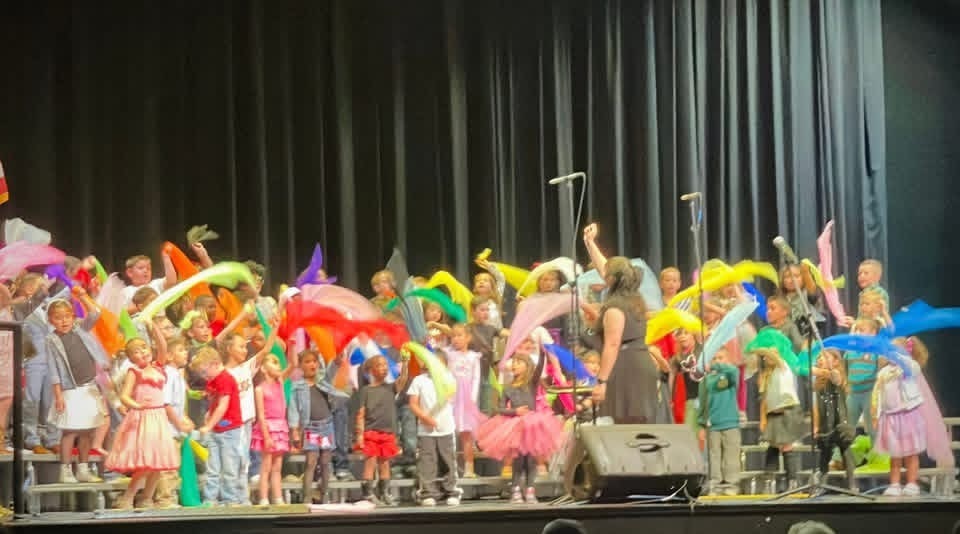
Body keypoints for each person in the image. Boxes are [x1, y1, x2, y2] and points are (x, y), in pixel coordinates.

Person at [583, 223, 657, 423]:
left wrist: (602, 382)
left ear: (611, 280)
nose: (602, 274)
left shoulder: (615, 308)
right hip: (638, 364)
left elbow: (613, 344)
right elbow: (604, 268)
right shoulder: (634, 299)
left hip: (626, 368)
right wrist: (590, 242)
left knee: (624, 425)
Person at [106, 338, 192, 509]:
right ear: (131, 358)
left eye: (144, 348)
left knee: (158, 463)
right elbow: (124, 396)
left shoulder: (158, 367)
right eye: (136, 351)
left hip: (159, 416)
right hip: (145, 416)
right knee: (147, 461)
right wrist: (137, 406)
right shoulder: (134, 371)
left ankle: (146, 497)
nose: (142, 352)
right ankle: (128, 497)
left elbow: (163, 346)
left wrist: (152, 325)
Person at [477, 351, 561, 504]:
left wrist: (542, 352)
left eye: (519, 362)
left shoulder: (532, 383)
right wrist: (515, 411)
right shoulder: (507, 388)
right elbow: (499, 408)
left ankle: (530, 489)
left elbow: (539, 366)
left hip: (532, 427)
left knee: (530, 460)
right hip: (516, 427)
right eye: (513, 362)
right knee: (518, 461)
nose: (514, 364)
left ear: (527, 367)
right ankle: (515, 489)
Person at [45, 293, 110, 484]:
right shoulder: (52, 340)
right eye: (58, 317)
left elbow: (95, 313)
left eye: (67, 316)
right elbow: (53, 369)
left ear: (73, 317)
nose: (63, 321)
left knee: (88, 431)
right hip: (69, 389)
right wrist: (58, 395)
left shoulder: (80, 328)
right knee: (70, 431)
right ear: (51, 320)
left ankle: (83, 468)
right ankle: (65, 471)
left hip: (89, 387)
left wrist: (83, 296)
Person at [189, 347, 245, 506]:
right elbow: (214, 403)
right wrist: (208, 416)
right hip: (216, 429)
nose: (204, 377)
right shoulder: (212, 380)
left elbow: (223, 405)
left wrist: (208, 425)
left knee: (229, 466)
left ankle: (230, 498)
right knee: (212, 467)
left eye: (205, 373)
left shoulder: (225, 379)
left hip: (229, 429)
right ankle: (210, 498)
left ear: (215, 364)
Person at [407, 349, 461, 507]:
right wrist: (425, 418)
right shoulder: (419, 380)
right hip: (426, 430)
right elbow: (413, 404)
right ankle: (428, 493)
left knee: (448, 460)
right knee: (427, 461)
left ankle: (451, 491)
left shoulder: (449, 378)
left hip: (445, 427)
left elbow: (448, 396)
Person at [355, 353, 410, 505]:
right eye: (379, 365)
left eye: (385, 365)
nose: (383, 368)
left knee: (385, 463)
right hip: (371, 432)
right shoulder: (366, 390)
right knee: (370, 462)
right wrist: (360, 435)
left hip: (387, 432)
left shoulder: (391, 387)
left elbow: (403, 379)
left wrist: (405, 363)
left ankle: (384, 492)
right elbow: (361, 413)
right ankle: (367, 493)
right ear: (371, 370)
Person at [811, 348, 857, 492]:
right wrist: (816, 426)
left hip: (840, 420)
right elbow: (816, 407)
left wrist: (825, 370)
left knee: (845, 450)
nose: (820, 360)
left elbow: (835, 377)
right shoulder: (818, 383)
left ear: (836, 361)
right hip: (826, 423)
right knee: (824, 454)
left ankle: (851, 483)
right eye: (818, 358)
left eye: (824, 357)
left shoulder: (838, 375)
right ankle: (822, 484)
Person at [697, 348, 741, 496]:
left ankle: (731, 485)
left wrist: (717, 366)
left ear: (727, 359)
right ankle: (714, 485)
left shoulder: (730, 375)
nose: (717, 361)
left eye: (720, 358)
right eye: (714, 358)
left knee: (731, 457)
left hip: (730, 423)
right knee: (713, 457)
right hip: (713, 425)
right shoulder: (706, 380)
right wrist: (702, 424)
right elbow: (703, 403)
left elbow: (734, 371)